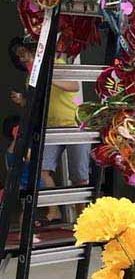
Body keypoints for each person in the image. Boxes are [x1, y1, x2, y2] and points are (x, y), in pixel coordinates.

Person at [9, 37, 89, 225]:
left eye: (23, 53)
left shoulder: (57, 63)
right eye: (18, 56)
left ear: (34, 50)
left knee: (79, 177)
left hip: (73, 124)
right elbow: (37, 103)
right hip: (50, 128)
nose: (21, 58)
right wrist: (23, 100)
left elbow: (74, 86)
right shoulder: (31, 77)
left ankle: (82, 220)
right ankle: (55, 211)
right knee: (41, 170)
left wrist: (49, 77)